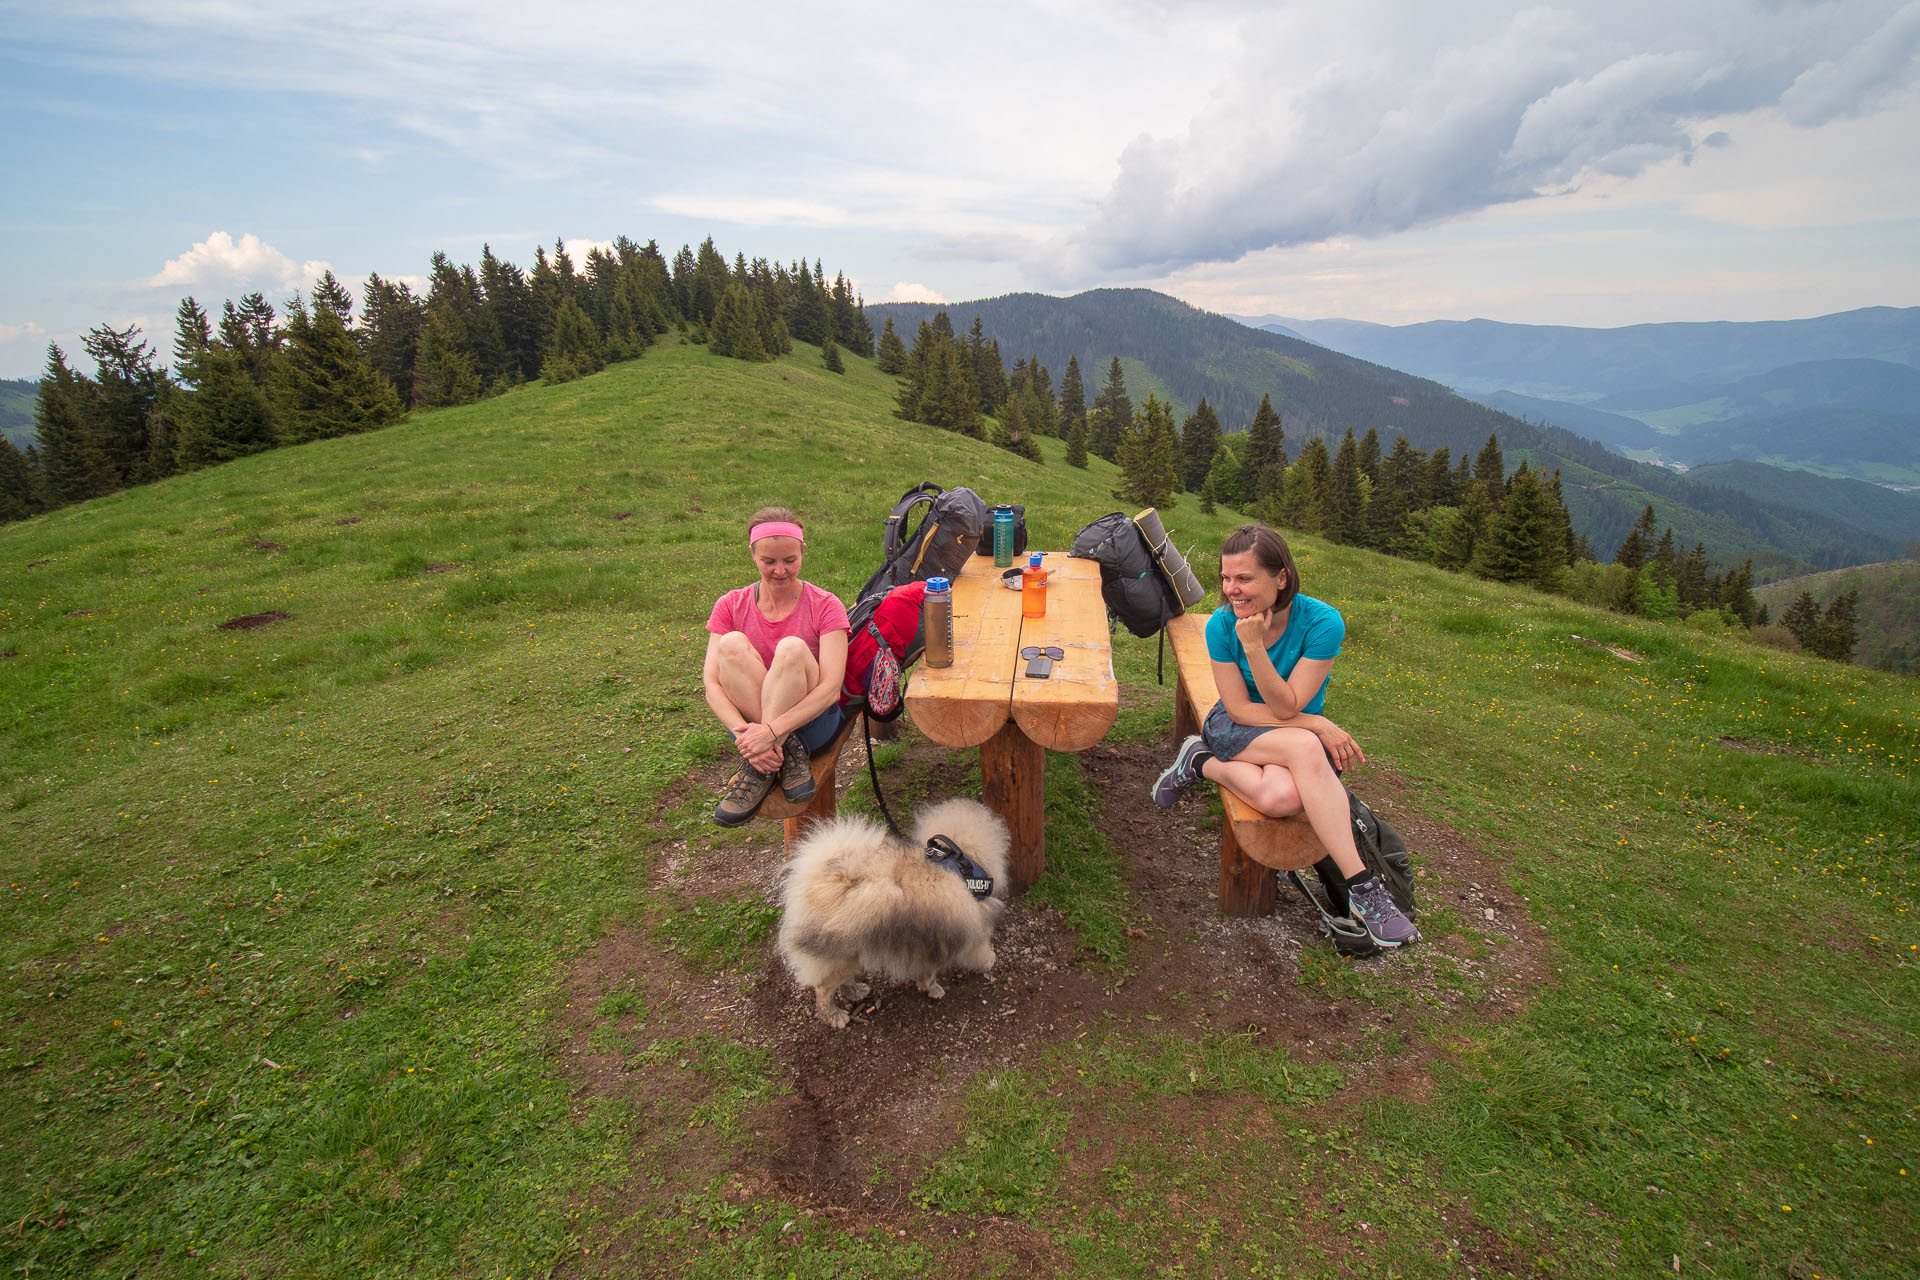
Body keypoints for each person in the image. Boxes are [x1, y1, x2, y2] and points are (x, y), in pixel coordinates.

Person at [1151, 522, 1418, 949]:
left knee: (1282, 800)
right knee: (1308, 745)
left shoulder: (1323, 622)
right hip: (1238, 726)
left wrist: (1258, 652)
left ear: (1281, 578)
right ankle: (1367, 892)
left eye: (1244, 578)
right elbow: (1240, 709)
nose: (1232, 589)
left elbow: (1287, 704)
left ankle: (1201, 763)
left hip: (1286, 728)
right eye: (1226, 578)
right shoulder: (1221, 626)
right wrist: (1314, 722)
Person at [703, 507, 850, 827]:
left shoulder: (826, 604)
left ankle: (759, 768)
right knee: (730, 645)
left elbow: (830, 689)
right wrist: (745, 733)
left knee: (792, 648)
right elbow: (712, 685)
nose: (780, 571)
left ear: (803, 553)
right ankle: (777, 756)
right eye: (769, 562)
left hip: (812, 724)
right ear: (753, 555)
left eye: (790, 560)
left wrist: (769, 732)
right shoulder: (730, 605)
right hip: (751, 730)